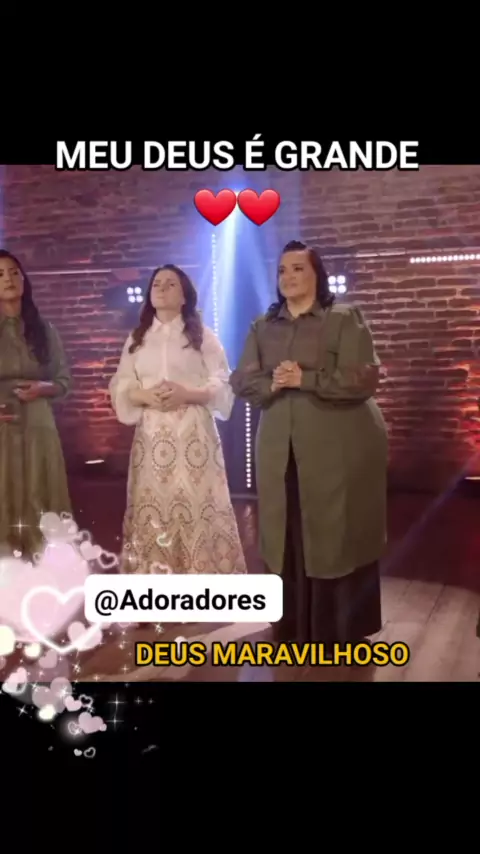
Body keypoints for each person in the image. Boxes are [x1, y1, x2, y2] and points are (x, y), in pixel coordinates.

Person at [230, 240, 388, 650]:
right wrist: (274, 382)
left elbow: (363, 378)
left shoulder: (344, 318)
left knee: (334, 529)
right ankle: (291, 625)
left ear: (318, 275)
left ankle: (337, 628)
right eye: (282, 270)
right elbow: (242, 380)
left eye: (298, 268)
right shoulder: (262, 327)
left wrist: (306, 379)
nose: (288, 276)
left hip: (337, 446)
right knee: (285, 528)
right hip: (278, 447)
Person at [109, 264, 247, 575]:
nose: (161, 288)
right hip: (152, 437)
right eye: (157, 283)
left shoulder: (202, 336)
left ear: (185, 296)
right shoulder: (137, 338)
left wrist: (188, 393)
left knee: (197, 505)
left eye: (170, 283)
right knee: (154, 508)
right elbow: (122, 383)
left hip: (193, 435)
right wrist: (144, 395)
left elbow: (221, 380)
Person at [0, 249, 72, 559]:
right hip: (3, 424)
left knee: (41, 492)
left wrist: (43, 387)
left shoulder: (45, 330)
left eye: (14, 272)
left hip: (39, 424)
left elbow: (64, 380)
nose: (8, 279)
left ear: (24, 279)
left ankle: (46, 567)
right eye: (0, 274)